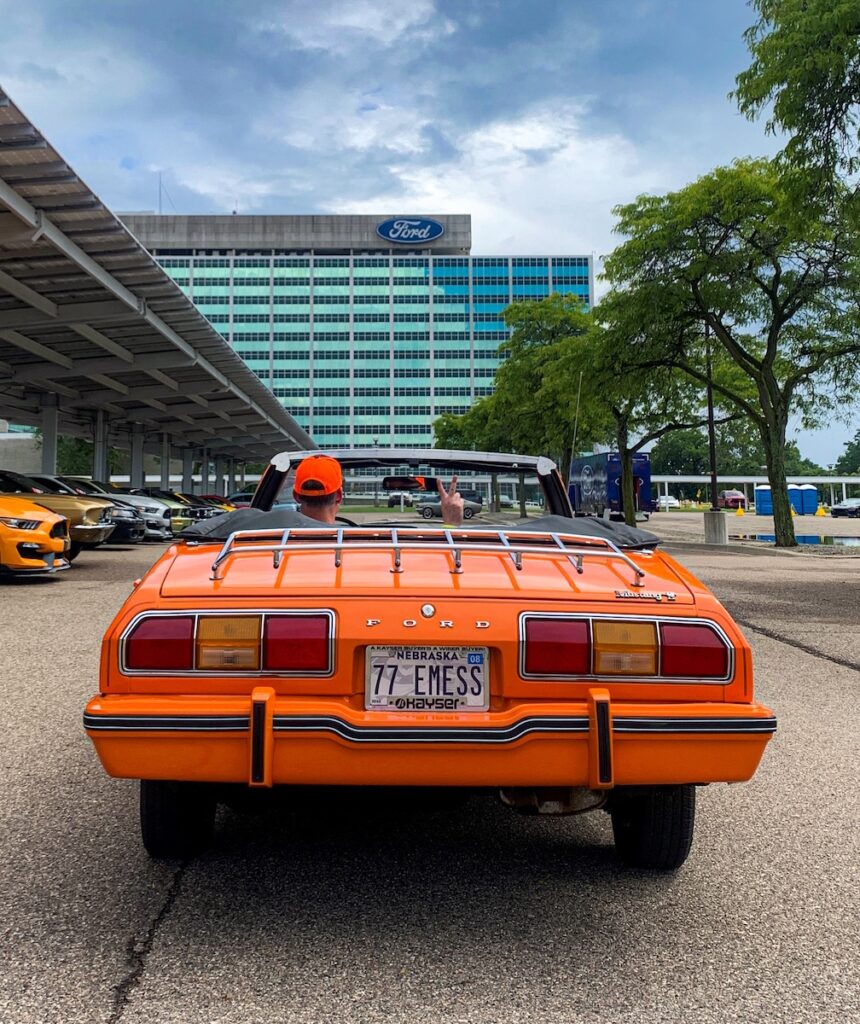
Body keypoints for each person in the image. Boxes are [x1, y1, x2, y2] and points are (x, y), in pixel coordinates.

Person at [293, 454, 465, 527]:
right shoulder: (354, 545)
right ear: (339, 496)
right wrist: (451, 523)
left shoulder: (272, 542)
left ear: (296, 496)